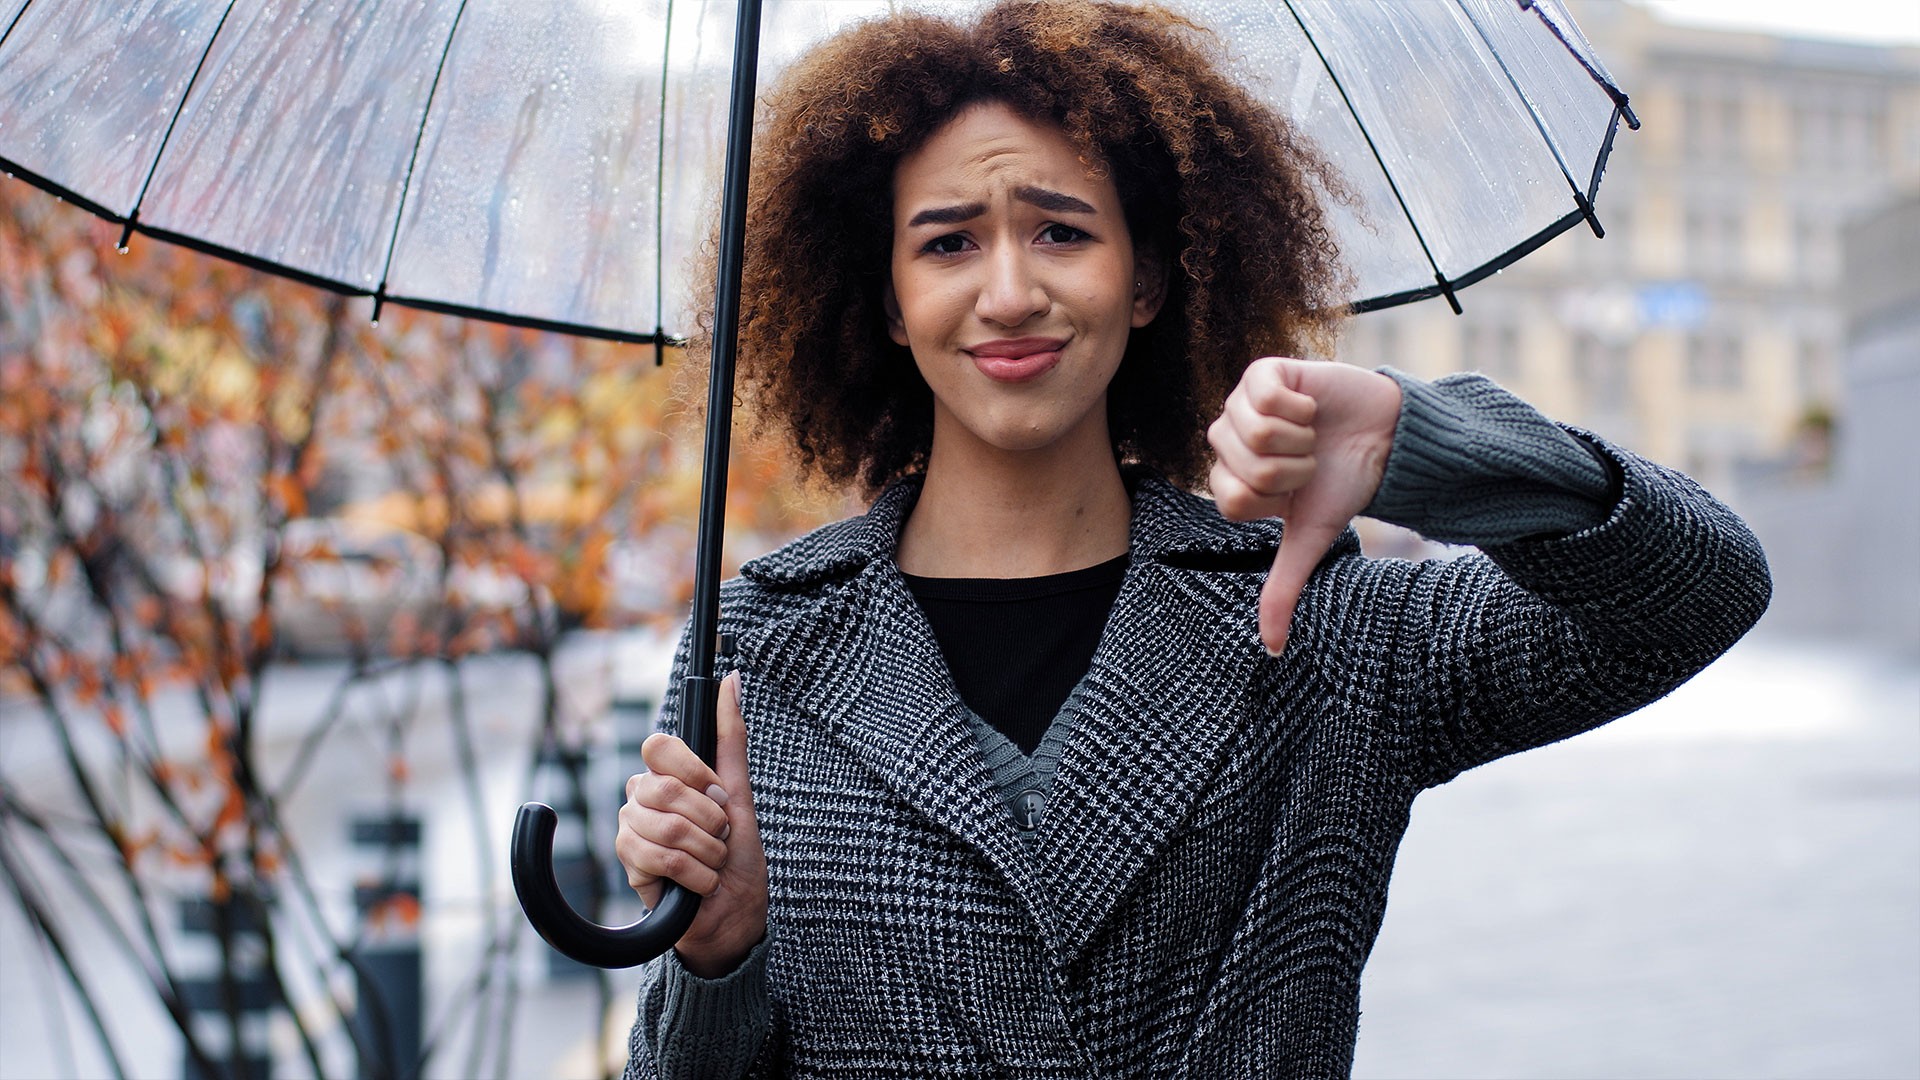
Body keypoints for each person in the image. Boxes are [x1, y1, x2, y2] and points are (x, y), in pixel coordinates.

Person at [614, 3, 1770, 1077]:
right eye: (949, 245)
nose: (1009, 292)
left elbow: (1698, 592)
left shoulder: (1317, 617)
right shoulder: (756, 650)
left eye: (1062, 231)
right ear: (884, 303)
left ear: (1151, 279)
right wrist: (717, 961)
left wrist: (1426, 447)